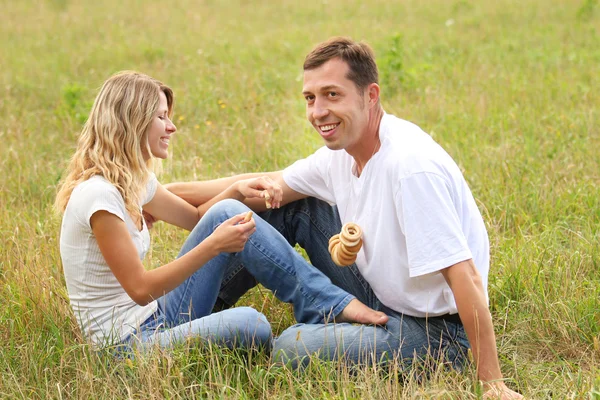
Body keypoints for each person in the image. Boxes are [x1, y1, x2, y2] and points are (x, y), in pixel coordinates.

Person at [165, 38, 524, 398]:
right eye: (310, 98)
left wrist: (492, 384)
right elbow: (262, 184)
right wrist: (156, 195)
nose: (318, 111)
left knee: (293, 347)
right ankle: (182, 322)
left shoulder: (410, 169)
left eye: (332, 95)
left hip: (435, 332)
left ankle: (332, 315)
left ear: (370, 95)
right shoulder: (342, 151)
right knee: (282, 204)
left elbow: (466, 276)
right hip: (379, 293)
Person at [54, 71, 388, 354]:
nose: (171, 127)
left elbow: (198, 219)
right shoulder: (99, 195)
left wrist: (236, 193)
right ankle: (323, 325)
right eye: (161, 117)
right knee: (251, 323)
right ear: (133, 121)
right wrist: (214, 245)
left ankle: (327, 304)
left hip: (158, 314)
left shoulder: (135, 180)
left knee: (228, 210)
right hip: (128, 345)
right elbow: (140, 289)